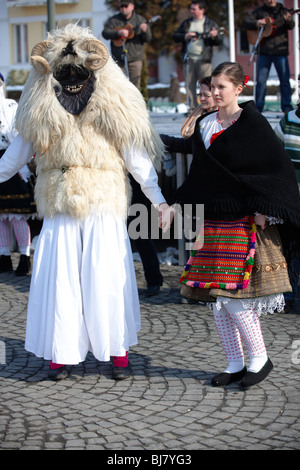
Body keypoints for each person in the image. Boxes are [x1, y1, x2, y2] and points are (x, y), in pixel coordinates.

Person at [0, 24, 172, 381]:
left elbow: (135, 155)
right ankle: (63, 352)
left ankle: (117, 351)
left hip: (102, 204)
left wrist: (158, 198)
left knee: (104, 276)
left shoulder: (112, 103)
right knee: (61, 278)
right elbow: (14, 157)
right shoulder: (41, 108)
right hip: (60, 203)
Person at [160, 61, 300, 389]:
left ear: (239, 89)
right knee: (218, 302)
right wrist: (172, 205)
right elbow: (200, 175)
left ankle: (260, 359)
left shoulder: (253, 123)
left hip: (243, 220)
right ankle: (235, 362)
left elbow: (276, 171)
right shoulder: (206, 124)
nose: (215, 92)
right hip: (212, 221)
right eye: (213, 86)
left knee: (235, 299)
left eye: (222, 87)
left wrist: (268, 209)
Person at [0, 74, 34, 276]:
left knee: (17, 216)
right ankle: (4, 256)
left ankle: (24, 256)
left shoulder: (11, 106)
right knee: (1, 217)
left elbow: (18, 135)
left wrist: (24, 169)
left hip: (13, 161)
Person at [274, 75, 300, 313]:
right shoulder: (288, 121)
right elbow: (274, 158)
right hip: (290, 200)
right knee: (289, 249)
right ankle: (290, 295)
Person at [243, 0, 295, 114]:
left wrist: (289, 20)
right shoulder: (259, 11)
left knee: (285, 81)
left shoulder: (283, 10)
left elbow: (291, 26)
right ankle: (258, 108)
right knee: (261, 81)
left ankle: (286, 107)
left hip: (280, 51)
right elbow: (246, 21)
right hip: (264, 51)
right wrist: (257, 23)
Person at [173, 0, 222, 113]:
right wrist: (186, 36)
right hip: (189, 59)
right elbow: (175, 36)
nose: (192, 11)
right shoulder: (187, 23)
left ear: (202, 10)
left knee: (207, 85)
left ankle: (209, 108)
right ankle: (192, 109)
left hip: (204, 60)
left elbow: (219, 41)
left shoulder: (210, 23)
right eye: (191, 9)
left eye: (194, 9)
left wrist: (215, 36)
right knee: (189, 84)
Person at [102, 0, 151, 90]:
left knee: (135, 87)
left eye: (126, 6)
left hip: (135, 59)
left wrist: (145, 31)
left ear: (132, 6)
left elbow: (148, 39)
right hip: (119, 59)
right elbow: (105, 33)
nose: (123, 8)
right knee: (119, 86)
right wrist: (118, 33)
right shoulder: (113, 20)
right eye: (121, 6)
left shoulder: (140, 20)